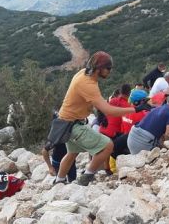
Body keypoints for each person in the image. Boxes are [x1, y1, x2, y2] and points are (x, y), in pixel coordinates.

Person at [54, 51, 136, 186]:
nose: (110, 71)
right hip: (73, 125)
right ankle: (85, 179)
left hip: (66, 122)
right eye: (108, 68)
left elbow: (94, 101)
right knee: (108, 146)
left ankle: (59, 181)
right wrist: (135, 109)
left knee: (72, 153)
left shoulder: (83, 74)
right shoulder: (88, 84)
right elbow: (109, 111)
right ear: (99, 68)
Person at [42, 112, 77, 182]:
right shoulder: (56, 135)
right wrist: (50, 167)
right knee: (61, 183)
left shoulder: (71, 130)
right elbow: (44, 151)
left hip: (70, 161)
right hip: (58, 163)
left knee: (73, 181)